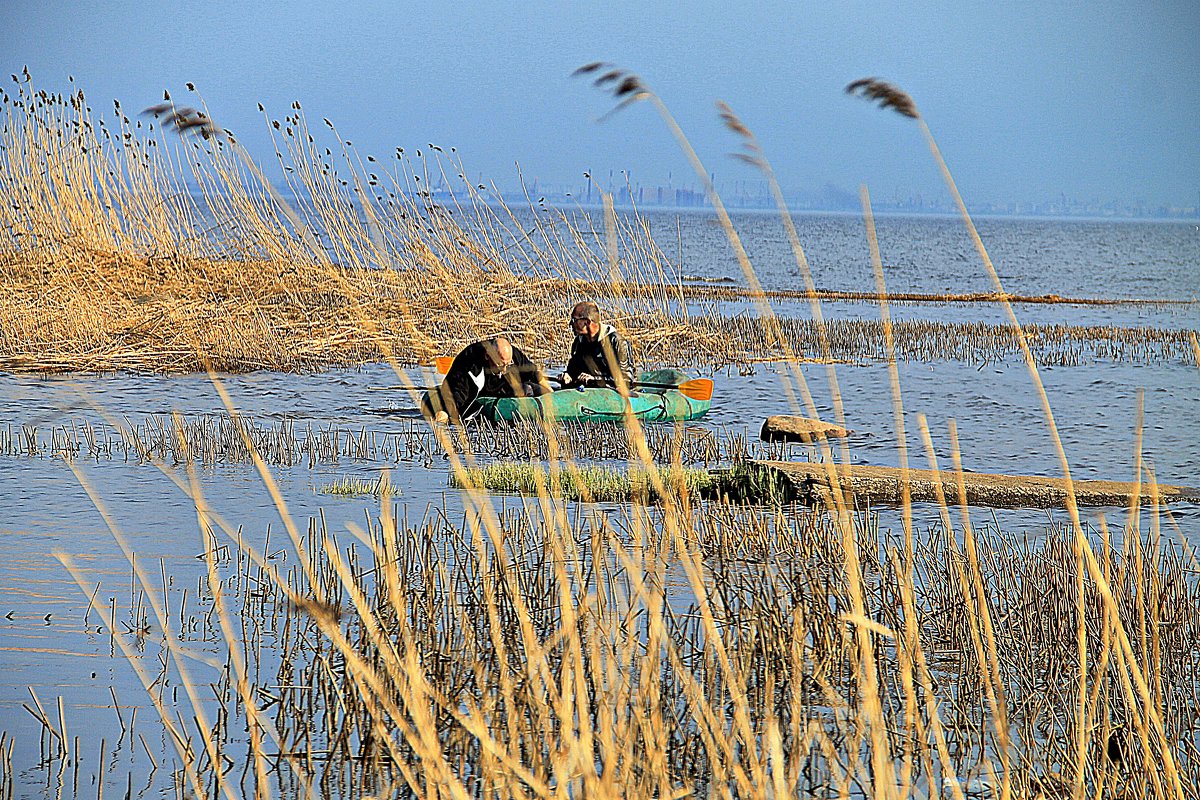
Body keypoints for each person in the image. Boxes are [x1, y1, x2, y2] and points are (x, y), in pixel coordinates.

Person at [425, 337, 551, 424]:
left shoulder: (511, 355)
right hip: (479, 393)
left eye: (508, 364)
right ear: (488, 356)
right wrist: (441, 419)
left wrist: (552, 394)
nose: (505, 369)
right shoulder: (469, 364)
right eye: (501, 365)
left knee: (529, 388)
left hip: (501, 389)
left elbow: (535, 374)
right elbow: (455, 400)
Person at [559, 301, 635, 390]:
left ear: (587, 322)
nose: (571, 324)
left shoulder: (617, 342)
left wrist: (595, 379)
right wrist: (567, 376)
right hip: (588, 392)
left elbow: (626, 379)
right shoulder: (579, 342)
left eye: (574, 320)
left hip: (611, 394)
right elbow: (573, 370)